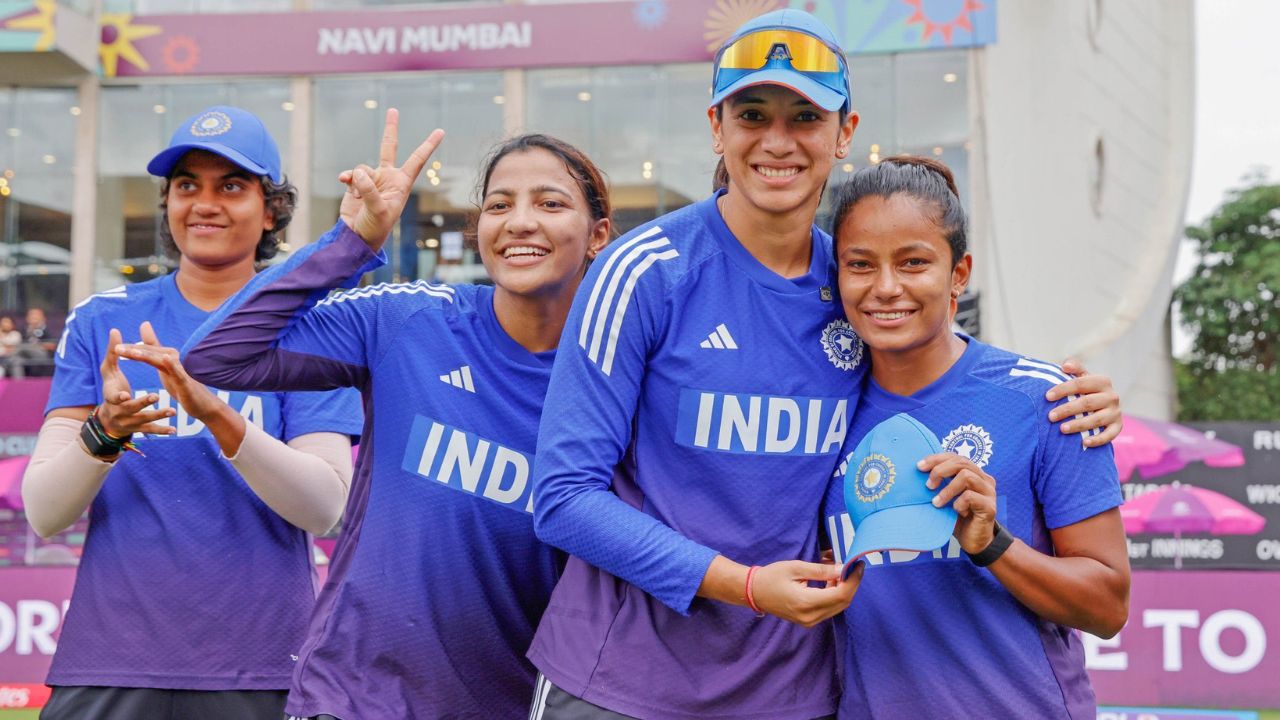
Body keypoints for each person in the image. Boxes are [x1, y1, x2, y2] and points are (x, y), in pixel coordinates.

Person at [527, 9, 1122, 720]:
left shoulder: (852, 290)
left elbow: (944, 375)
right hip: (625, 685)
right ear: (717, 126)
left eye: (805, 117)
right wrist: (742, 584)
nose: (777, 141)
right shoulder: (645, 269)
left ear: (844, 132)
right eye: (753, 113)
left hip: (791, 692)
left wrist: (1070, 394)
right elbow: (563, 497)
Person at [179, 120, 613, 718]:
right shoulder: (409, 319)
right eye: (498, 204)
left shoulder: (619, 378)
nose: (519, 222)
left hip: (507, 701)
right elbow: (217, 354)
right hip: (352, 697)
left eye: (550, 203)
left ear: (598, 235)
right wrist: (351, 241)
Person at [22, 105, 362, 720]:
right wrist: (104, 433)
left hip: (261, 666)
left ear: (271, 210)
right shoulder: (104, 320)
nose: (205, 203)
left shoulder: (309, 327)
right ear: (167, 204)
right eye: (187, 186)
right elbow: (46, 512)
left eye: (231, 185)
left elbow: (326, 508)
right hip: (108, 664)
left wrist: (218, 416)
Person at [821, 155, 1129, 719]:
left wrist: (993, 545)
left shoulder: (1051, 401)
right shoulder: (821, 410)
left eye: (914, 262)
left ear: (959, 273)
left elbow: (1108, 605)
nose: (886, 288)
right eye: (860, 265)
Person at [7, 307, 57, 378]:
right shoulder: (24, 330)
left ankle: (10, 355)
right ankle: (18, 383)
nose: (33, 317)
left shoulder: (47, 330)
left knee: (21, 347)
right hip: (25, 355)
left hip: (42, 354)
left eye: (36, 315)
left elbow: (52, 345)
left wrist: (36, 345)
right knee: (16, 360)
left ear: (43, 317)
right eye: (31, 315)